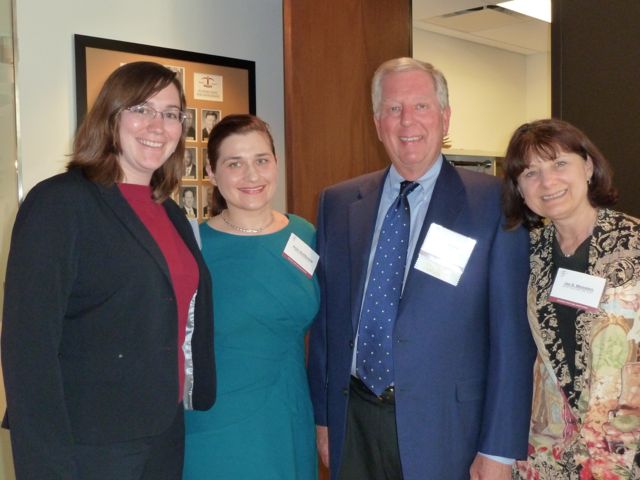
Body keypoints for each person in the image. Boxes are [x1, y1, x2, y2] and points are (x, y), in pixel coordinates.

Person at [307, 57, 536, 480]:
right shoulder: (338, 203)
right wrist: (324, 417)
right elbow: (327, 325)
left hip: (449, 431)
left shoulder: (494, 203)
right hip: (353, 420)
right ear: (377, 123)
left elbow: (512, 339)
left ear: (445, 117)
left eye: (421, 106)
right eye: (393, 108)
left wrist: (499, 450)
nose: (407, 120)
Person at [1, 61, 216, 480]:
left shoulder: (169, 211)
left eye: (171, 113)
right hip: (88, 443)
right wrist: (44, 463)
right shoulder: (59, 203)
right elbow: (28, 347)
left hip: (163, 432)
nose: (157, 125)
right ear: (110, 116)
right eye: (141, 109)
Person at [502, 118, 640, 479]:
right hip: (550, 454)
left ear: (588, 167)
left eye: (559, 163)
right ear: (519, 188)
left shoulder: (634, 243)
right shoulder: (527, 254)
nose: (547, 182)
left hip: (625, 451)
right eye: (530, 172)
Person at [183, 114, 320, 479]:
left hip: (289, 417)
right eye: (234, 164)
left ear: (276, 163)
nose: (252, 175)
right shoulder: (192, 246)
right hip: (217, 427)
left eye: (261, 160)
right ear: (211, 173)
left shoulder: (305, 235)